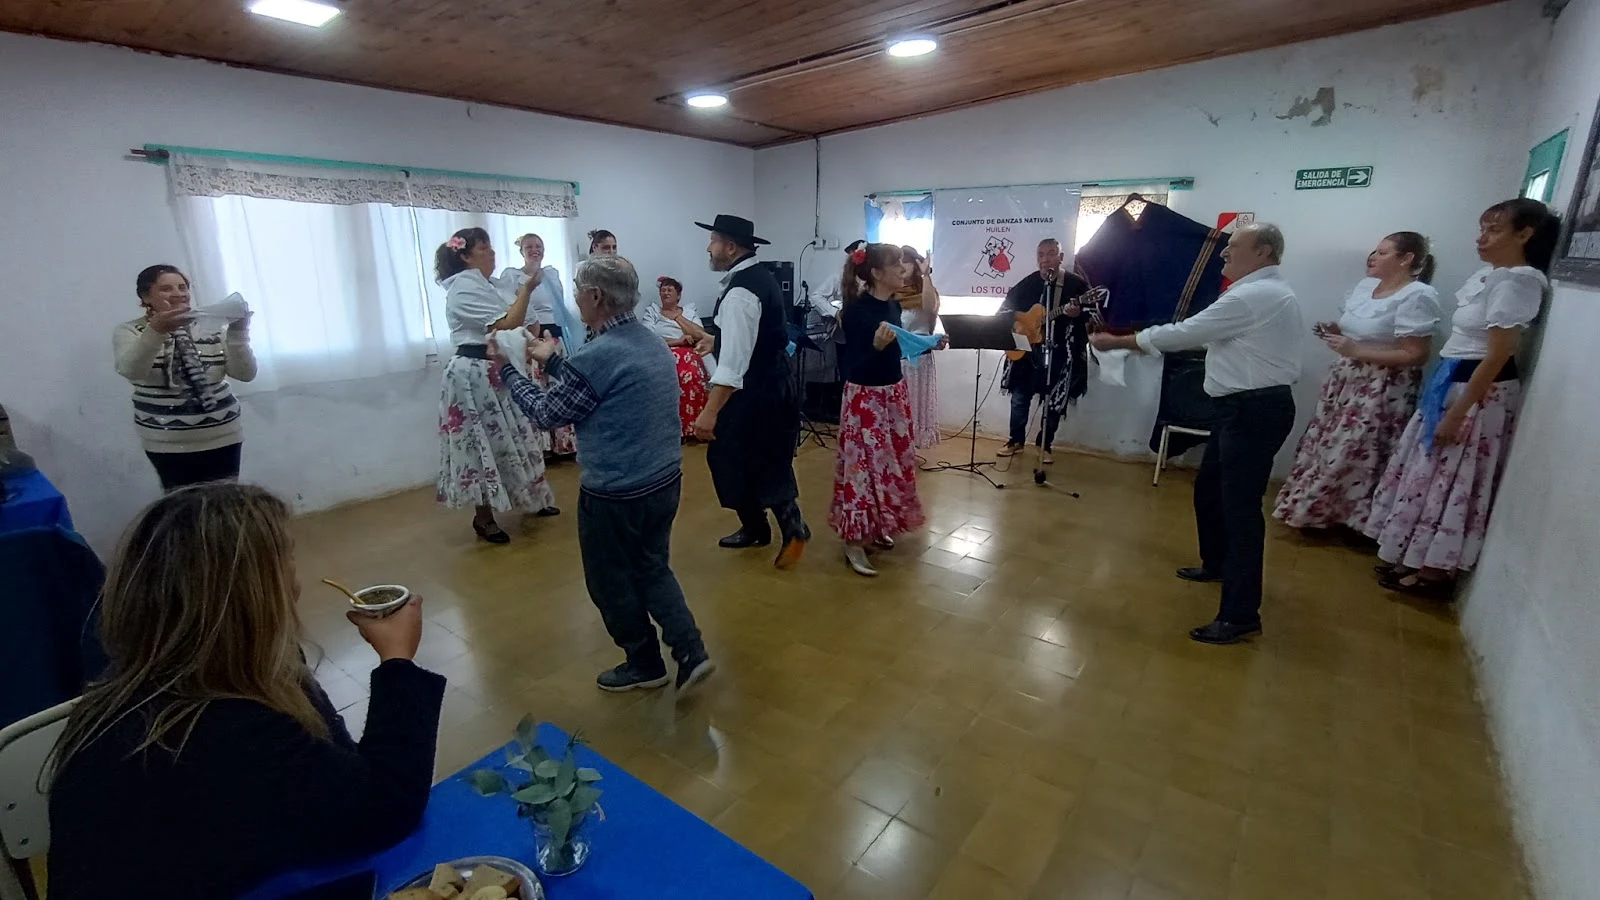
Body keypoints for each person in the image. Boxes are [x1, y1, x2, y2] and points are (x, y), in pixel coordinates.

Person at [47, 483, 446, 900]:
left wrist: (283, 662)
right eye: (287, 560)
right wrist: (397, 660)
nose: (296, 582)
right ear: (254, 597)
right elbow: (384, 807)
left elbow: (336, 771)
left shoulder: (132, 688)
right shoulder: (225, 729)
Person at [489, 255, 713, 694]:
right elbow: (602, 386)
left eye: (577, 290)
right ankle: (691, 652)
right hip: (664, 480)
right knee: (652, 566)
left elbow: (548, 412)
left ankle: (644, 663)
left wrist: (510, 373)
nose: (574, 298)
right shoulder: (650, 341)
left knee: (610, 582)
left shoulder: (597, 355)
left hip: (616, 494)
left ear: (594, 296)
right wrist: (553, 362)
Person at [1091, 223, 1303, 645]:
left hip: (1253, 411)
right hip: (1240, 409)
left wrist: (1119, 342)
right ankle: (1217, 563)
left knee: (1241, 513)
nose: (1224, 254)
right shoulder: (1259, 293)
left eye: (1234, 247)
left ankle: (1240, 614)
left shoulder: (1254, 295)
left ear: (1263, 252)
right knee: (1209, 490)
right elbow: (1209, 339)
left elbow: (1186, 333)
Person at [1364, 199, 1560, 597]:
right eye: (1482, 228)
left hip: (1478, 390)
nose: (1482, 238)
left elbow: (1499, 353)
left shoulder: (1518, 281)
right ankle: (1411, 554)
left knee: (1451, 477)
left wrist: (1459, 411)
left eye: (1494, 230)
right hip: (1451, 379)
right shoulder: (1491, 276)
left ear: (1525, 234)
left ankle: (1435, 570)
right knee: (1427, 471)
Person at [1273, 233, 1441, 531]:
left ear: (1406, 259)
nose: (1372, 257)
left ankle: (1353, 518)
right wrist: (1337, 333)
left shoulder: (1417, 296)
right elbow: (1361, 332)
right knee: (1327, 444)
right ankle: (1316, 510)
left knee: (1358, 449)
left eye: (1383, 252)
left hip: (1382, 386)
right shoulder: (1365, 288)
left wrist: (1356, 350)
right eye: (1375, 251)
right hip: (1347, 379)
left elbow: (1416, 354)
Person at [692, 214, 811, 568]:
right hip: (772, 385)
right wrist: (717, 340)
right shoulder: (758, 278)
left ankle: (790, 529)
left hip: (756, 393)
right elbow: (754, 337)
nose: (709, 248)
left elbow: (733, 368)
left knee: (745, 459)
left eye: (713, 240)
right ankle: (759, 528)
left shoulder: (741, 292)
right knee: (757, 458)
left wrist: (709, 412)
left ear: (730, 247)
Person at [434, 227, 558, 543]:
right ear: (465, 256)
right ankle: (484, 517)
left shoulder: (488, 285)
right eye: (484, 247)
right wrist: (527, 289)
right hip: (472, 375)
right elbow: (506, 323)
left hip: (498, 369)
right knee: (481, 444)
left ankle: (534, 497)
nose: (492, 252)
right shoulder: (463, 287)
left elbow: (522, 321)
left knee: (519, 435)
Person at [830, 243, 930, 576]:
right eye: (896, 264)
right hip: (865, 399)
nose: (903, 268)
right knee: (862, 470)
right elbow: (853, 365)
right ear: (876, 272)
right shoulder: (856, 310)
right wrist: (875, 346)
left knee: (889, 467)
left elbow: (896, 350)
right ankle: (854, 540)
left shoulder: (893, 306)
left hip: (892, 395)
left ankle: (874, 527)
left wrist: (925, 344)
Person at [113, 265, 257, 490]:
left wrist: (238, 333)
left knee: (224, 501)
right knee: (182, 504)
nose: (178, 293)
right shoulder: (130, 331)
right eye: (166, 288)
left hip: (223, 434)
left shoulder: (209, 326)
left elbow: (245, 374)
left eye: (182, 287)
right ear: (146, 296)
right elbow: (131, 371)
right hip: (166, 442)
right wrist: (157, 330)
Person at [996, 238, 1092, 464]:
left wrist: (1078, 314)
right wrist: (1019, 325)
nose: (1045, 259)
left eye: (1051, 253)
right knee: (1019, 398)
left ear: (1061, 257)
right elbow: (1004, 311)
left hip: (1060, 353)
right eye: (1040, 254)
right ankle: (1015, 441)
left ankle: (1044, 445)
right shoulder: (1027, 284)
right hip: (1027, 353)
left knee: (1053, 401)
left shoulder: (1075, 285)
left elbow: (1092, 315)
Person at [499, 232, 577, 456]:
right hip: (530, 338)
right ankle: (540, 446)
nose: (535, 250)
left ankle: (564, 443)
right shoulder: (513, 276)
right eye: (530, 246)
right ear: (521, 251)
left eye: (539, 246)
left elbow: (560, 308)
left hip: (555, 337)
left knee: (559, 388)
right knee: (536, 388)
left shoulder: (551, 274)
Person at [640, 276, 714, 438]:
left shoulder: (689, 312)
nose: (665, 293)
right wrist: (678, 341)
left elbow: (700, 335)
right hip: (663, 351)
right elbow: (648, 339)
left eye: (669, 290)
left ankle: (694, 427)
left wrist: (678, 317)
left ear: (678, 295)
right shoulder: (653, 312)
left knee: (691, 374)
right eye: (662, 290)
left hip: (690, 351)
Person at [894, 246, 944, 450]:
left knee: (914, 407)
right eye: (898, 262)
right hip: (895, 359)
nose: (901, 266)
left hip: (918, 361)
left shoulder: (924, 289)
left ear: (915, 265)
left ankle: (910, 451)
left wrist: (926, 276)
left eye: (906, 262)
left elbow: (930, 307)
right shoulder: (891, 293)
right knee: (897, 410)